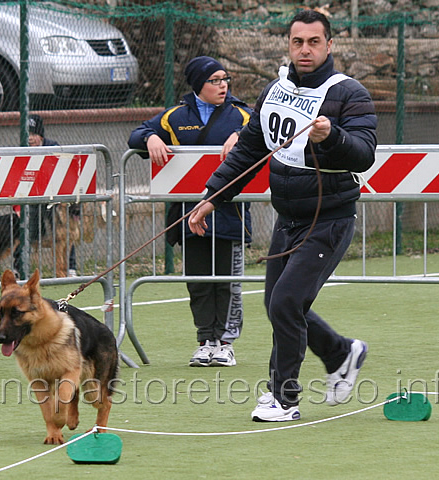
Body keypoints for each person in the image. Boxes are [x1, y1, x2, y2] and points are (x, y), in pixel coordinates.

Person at [189, 10, 377, 420]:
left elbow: (364, 152)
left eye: (313, 42)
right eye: (297, 42)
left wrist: (335, 136)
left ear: (330, 45)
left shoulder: (349, 93)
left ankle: (283, 398)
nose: (305, 49)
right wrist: (211, 197)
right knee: (280, 303)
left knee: (286, 303)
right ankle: (343, 352)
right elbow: (249, 151)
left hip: (330, 219)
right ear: (288, 45)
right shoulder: (274, 89)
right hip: (287, 219)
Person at [129, 56, 253, 367]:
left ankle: (225, 342)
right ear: (199, 84)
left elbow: (264, 133)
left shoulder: (242, 115)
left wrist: (241, 137)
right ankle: (205, 340)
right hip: (188, 216)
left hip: (229, 216)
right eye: (215, 80)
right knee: (198, 281)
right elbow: (136, 134)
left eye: (225, 79)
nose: (222, 85)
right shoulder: (175, 116)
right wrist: (151, 137)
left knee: (227, 281)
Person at [13, 114, 79, 276]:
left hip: (54, 196)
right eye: (27, 135)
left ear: (41, 135)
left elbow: (64, 171)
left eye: (34, 135)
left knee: (65, 232)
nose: (30, 139)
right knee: (28, 230)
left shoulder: (53, 147)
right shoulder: (22, 148)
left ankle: (70, 266)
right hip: (33, 196)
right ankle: (18, 266)